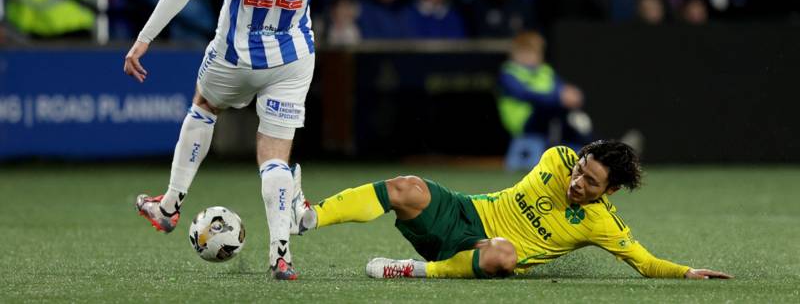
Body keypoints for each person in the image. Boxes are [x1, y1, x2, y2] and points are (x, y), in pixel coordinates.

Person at [124, 0, 369, 281]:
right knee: (274, 155)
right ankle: (281, 255)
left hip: (234, 56)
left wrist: (145, 37)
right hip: (293, 58)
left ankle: (169, 205)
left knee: (205, 104)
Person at [290, 140, 732, 280]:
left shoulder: (602, 224)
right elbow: (565, 167)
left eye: (590, 183)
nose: (577, 182)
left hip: (482, 250)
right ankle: (309, 216)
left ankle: (407, 270)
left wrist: (687, 273)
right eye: (580, 169)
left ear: (610, 190)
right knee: (407, 186)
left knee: (505, 255)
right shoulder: (557, 157)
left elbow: (645, 263)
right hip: (462, 212)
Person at [497, 32, 588, 170]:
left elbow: (562, 90)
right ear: (514, 55)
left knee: (568, 110)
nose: (529, 58)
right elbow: (524, 94)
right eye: (524, 54)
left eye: (532, 53)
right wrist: (559, 98)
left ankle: (591, 146)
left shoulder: (546, 71)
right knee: (553, 107)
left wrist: (572, 95)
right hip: (523, 123)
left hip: (548, 118)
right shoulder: (508, 73)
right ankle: (590, 146)